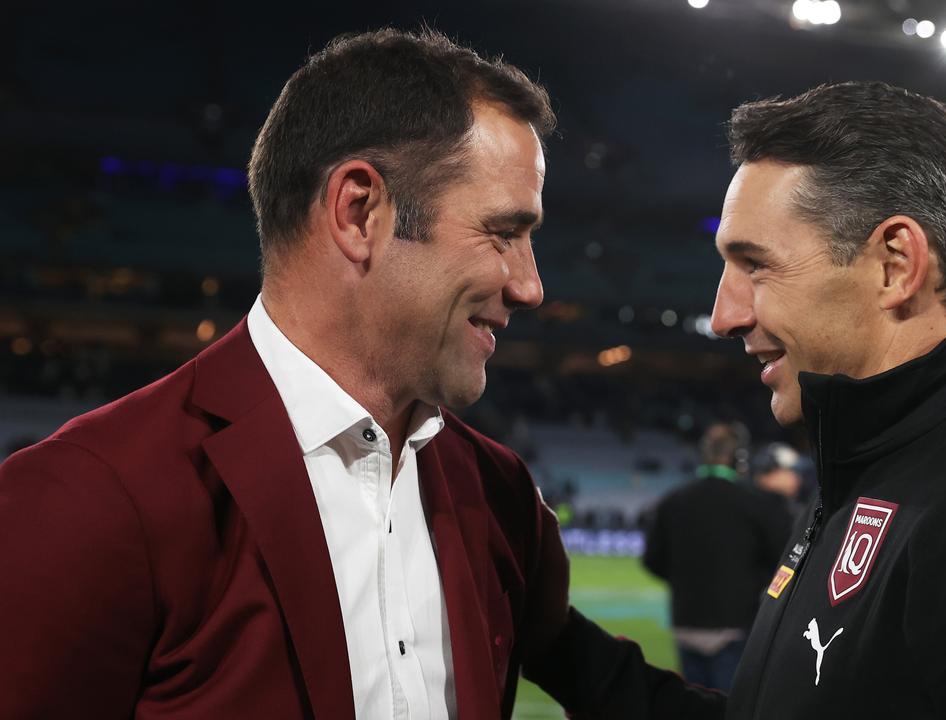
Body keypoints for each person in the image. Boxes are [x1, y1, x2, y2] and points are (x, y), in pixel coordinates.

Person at [529, 81, 946, 719]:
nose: (724, 315)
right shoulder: (874, 462)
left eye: (755, 264)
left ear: (896, 264)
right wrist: (555, 643)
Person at [0, 28, 573, 719]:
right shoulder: (89, 497)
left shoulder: (502, 499)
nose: (530, 285)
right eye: (504, 232)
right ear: (360, 212)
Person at [642, 423, 792, 692]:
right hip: (736, 625)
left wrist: (685, 578)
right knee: (730, 707)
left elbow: (651, 559)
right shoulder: (756, 503)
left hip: (686, 621)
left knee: (694, 707)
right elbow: (783, 560)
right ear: (739, 460)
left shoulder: (672, 501)